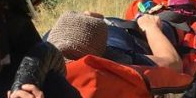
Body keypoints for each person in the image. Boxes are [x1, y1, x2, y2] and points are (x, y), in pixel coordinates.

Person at [47, 10, 183, 71]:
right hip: (140, 34)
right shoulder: (115, 58)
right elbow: (173, 64)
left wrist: (90, 20)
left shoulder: (44, 53)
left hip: (103, 30)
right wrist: (151, 27)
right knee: (169, 16)